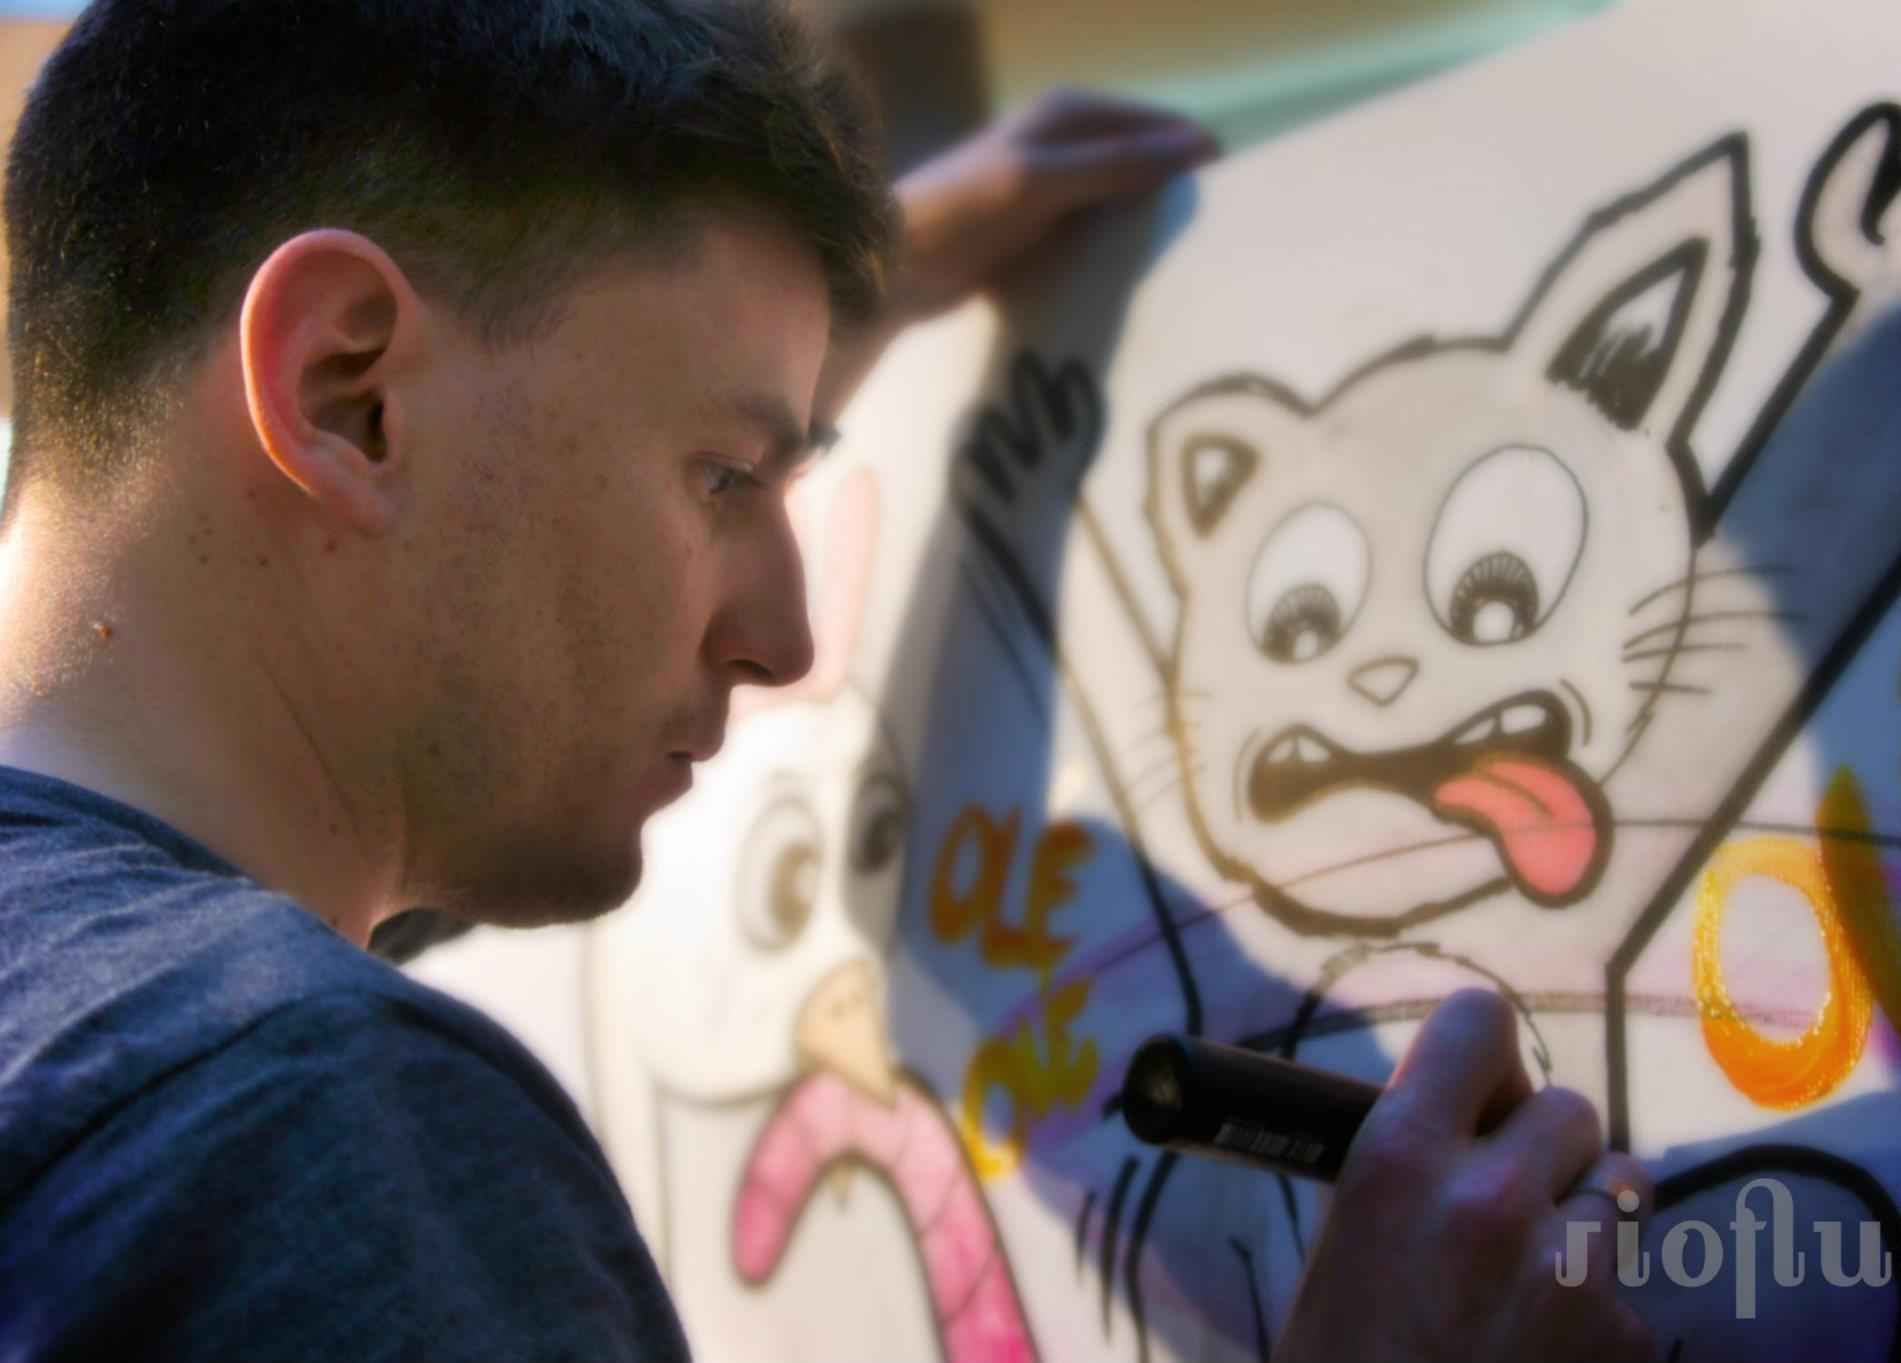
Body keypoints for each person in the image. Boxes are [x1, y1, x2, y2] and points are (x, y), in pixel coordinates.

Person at [0, 2, 1653, 1360]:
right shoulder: (303, 1125)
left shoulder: (89, 1025)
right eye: (726, 478)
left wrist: (760, 350)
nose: (783, 638)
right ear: (350, 393)